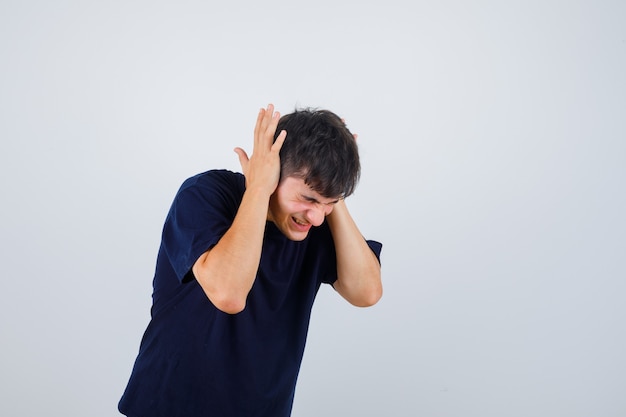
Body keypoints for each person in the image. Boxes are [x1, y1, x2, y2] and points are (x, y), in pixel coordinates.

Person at [118, 104, 383, 417]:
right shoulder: (205, 194)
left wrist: (331, 180)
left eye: (330, 203)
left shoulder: (315, 223)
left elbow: (366, 293)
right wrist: (258, 187)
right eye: (307, 198)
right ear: (271, 167)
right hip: (167, 406)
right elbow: (229, 293)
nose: (315, 215)